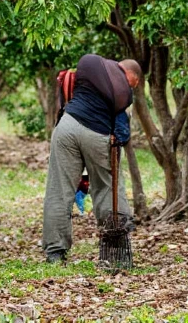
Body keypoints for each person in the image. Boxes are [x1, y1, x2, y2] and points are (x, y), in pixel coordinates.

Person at [42, 54, 142, 263]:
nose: (133, 86)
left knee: (59, 190)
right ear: (132, 76)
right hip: (97, 134)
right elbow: (121, 132)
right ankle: (116, 248)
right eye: (136, 83)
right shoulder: (122, 91)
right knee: (108, 187)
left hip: (66, 127)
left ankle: (55, 253)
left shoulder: (89, 74)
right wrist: (118, 140)